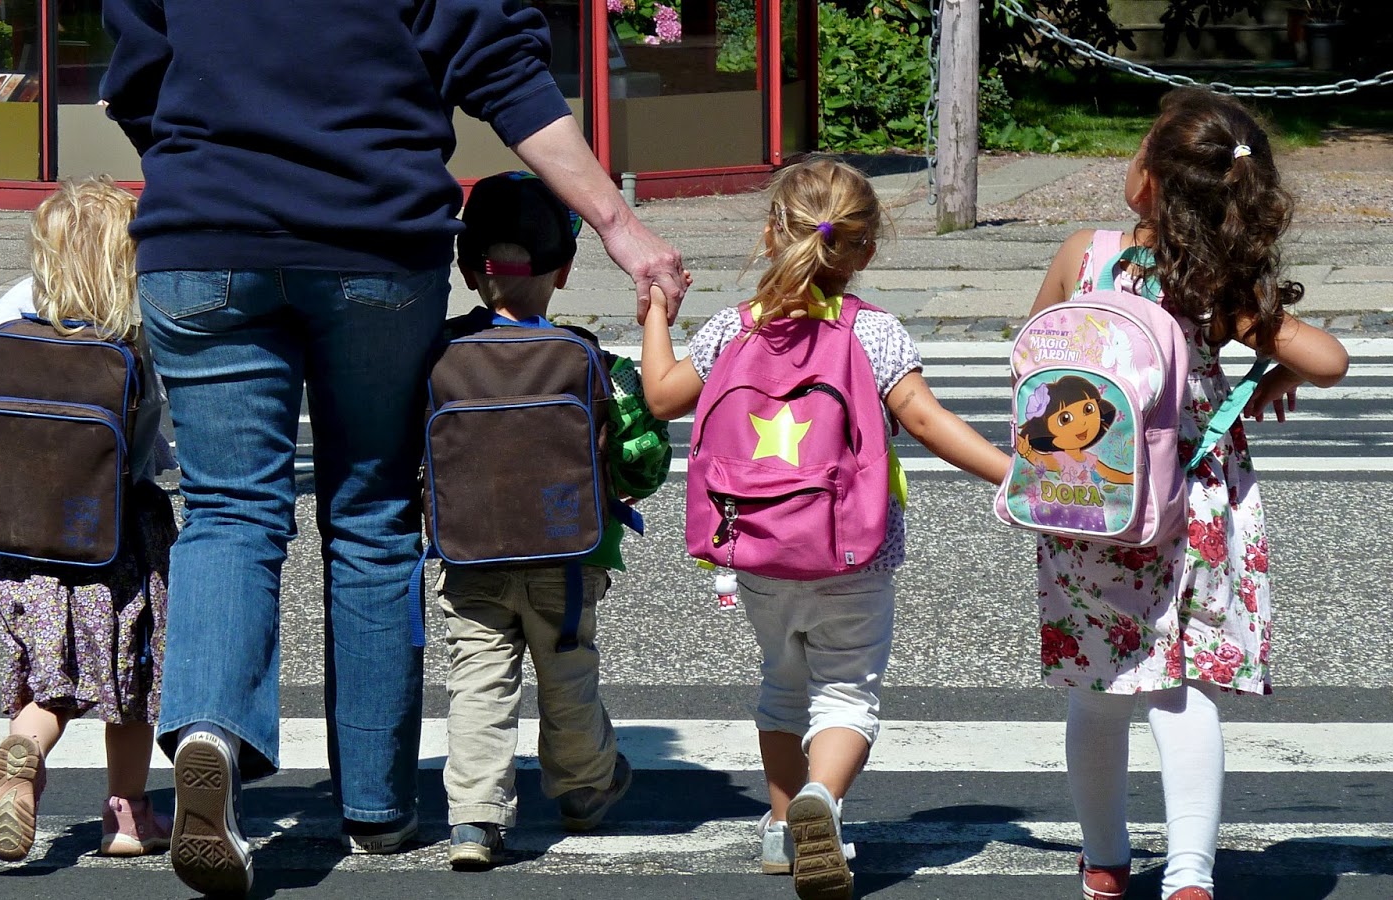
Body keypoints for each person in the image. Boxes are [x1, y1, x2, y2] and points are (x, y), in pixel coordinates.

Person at [99, 2, 687, 896]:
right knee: (370, 508)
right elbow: (504, 72)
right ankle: (375, 805)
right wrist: (615, 222)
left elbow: (137, 71)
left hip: (203, 235)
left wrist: (213, 166)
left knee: (228, 509)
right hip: (371, 239)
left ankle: (211, 730)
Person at [638, 156, 1010, 900]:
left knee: (783, 684)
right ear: (864, 248)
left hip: (757, 553)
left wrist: (654, 312)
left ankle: (781, 832)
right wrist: (1018, 477)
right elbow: (928, 422)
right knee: (846, 695)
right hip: (854, 557)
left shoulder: (730, 330)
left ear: (772, 235)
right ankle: (822, 802)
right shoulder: (875, 335)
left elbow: (659, 397)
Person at [1025, 88, 1348, 900]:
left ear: (1148, 177)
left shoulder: (1083, 254)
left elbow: (1034, 360)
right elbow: (1331, 359)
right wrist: (1265, 373)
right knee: (1181, 687)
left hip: (1091, 503)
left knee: (1096, 691)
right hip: (1192, 504)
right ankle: (1191, 875)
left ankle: (1103, 861)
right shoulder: (1217, 282)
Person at [436, 172, 671, 869]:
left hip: (469, 552)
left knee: (479, 680)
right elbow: (642, 458)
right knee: (567, 674)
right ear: (563, 271)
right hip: (567, 560)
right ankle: (584, 788)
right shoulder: (588, 358)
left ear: (465, 266)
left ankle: (475, 818)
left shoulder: (438, 354)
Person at [0, 177, 178, 863]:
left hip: (21, 536)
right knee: (128, 683)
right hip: (113, 541)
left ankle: (26, 747)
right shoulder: (134, 337)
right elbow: (149, 445)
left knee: (49, 675)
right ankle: (128, 817)